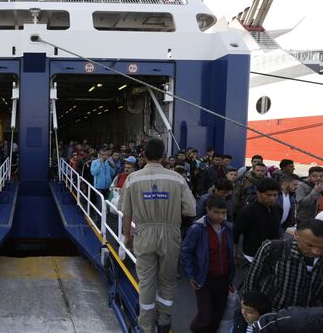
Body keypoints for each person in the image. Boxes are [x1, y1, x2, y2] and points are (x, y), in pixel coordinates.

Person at [120, 138, 196, 333]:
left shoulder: (132, 179)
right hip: (170, 233)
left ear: (144, 155)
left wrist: (127, 236)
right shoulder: (177, 178)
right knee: (168, 280)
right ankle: (164, 320)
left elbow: (126, 212)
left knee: (146, 280)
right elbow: (190, 210)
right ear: (163, 156)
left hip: (143, 233)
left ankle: (145, 325)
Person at [243, 217, 323, 310]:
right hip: (272, 313)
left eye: (321, 247)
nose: (316, 252)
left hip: (309, 318)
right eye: (309, 245)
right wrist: (250, 307)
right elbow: (252, 279)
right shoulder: (273, 249)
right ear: (296, 235)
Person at [181, 196, 235, 333]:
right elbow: (186, 252)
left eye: (224, 213)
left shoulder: (228, 228)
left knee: (217, 315)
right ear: (208, 210)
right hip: (204, 279)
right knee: (205, 316)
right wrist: (190, 275)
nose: (221, 216)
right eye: (217, 212)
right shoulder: (197, 229)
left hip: (223, 279)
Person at [234, 178, 282, 264]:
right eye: (268, 195)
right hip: (251, 256)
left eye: (275, 195)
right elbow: (236, 234)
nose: (272, 198)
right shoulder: (247, 211)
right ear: (258, 193)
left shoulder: (278, 209)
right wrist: (234, 254)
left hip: (272, 254)